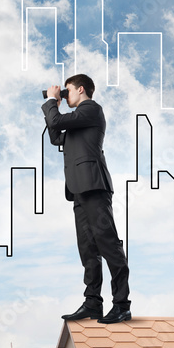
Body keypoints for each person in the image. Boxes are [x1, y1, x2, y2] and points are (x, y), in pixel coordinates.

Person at [42, 74, 131, 324]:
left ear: (80, 90)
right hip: (78, 188)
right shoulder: (76, 121)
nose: (64, 95)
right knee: (88, 249)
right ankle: (93, 303)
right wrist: (53, 106)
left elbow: (57, 121)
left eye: (67, 90)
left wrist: (51, 101)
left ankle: (122, 305)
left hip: (94, 186)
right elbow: (55, 135)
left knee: (108, 244)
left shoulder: (91, 109)